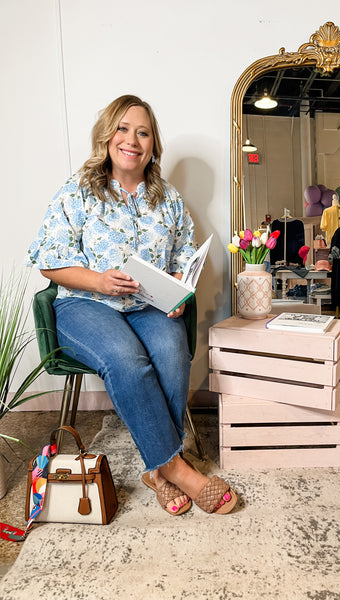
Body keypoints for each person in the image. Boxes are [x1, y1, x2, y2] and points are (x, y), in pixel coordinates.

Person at [26, 94, 237, 516]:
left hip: (147, 306)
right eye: (123, 129)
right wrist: (100, 281)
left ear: (153, 144)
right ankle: (176, 469)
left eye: (143, 132)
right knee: (127, 359)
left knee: (173, 351)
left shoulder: (169, 199)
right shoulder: (77, 191)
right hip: (83, 305)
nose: (132, 140)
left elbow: (183, 258)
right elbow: (49, 261)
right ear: (106, 136)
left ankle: (157, 472)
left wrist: (180, 290)